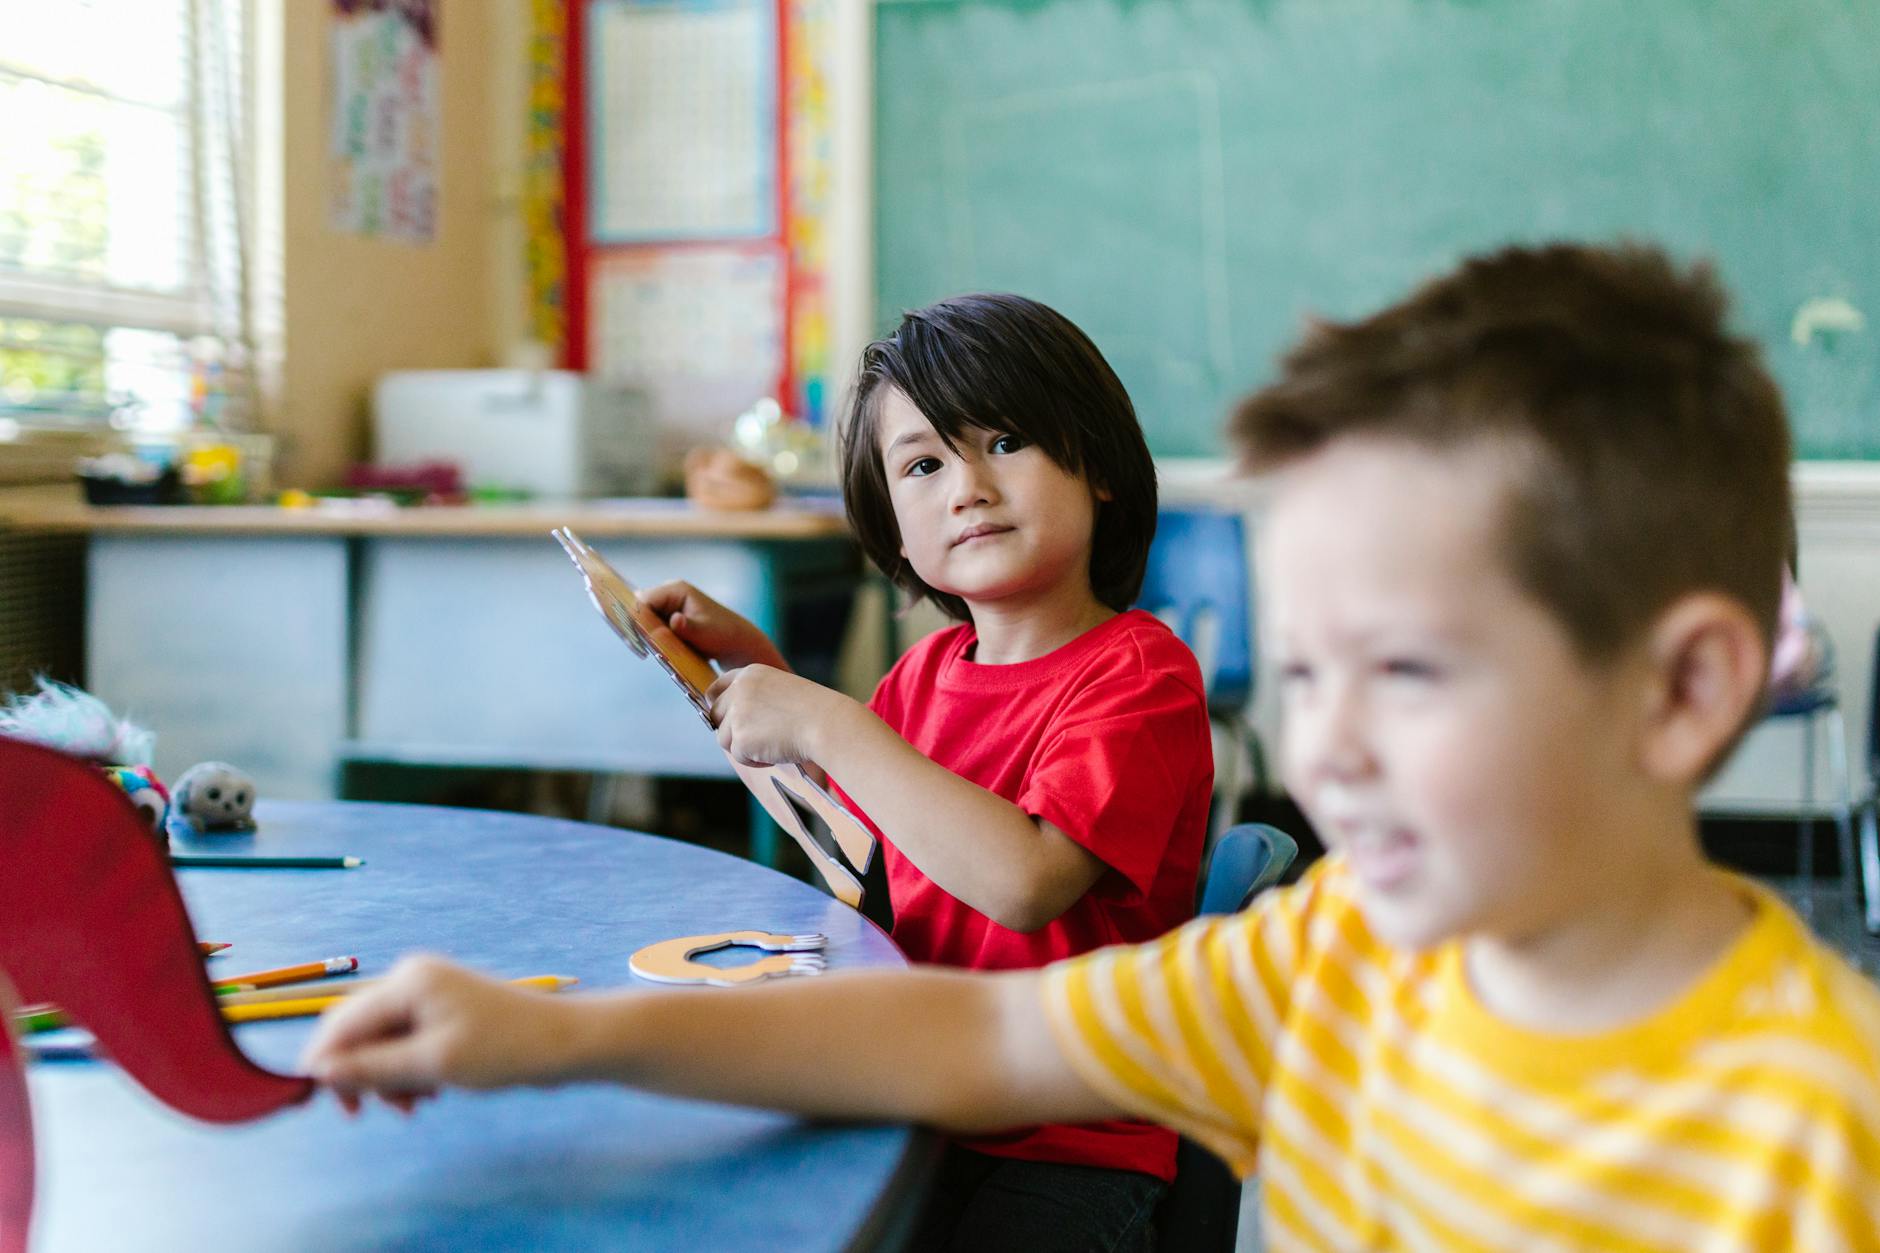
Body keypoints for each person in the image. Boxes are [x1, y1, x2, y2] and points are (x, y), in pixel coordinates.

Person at [306, 244, 1880, 1250]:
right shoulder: (1326, 957)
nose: (1321, 746)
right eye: (1310, 667)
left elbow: (1019, 918)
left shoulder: (1820, 1131)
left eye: (1404, 668)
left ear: (1680, 695)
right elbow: (974, 1038)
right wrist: (553, 1033)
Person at [637, 292, 1213, 1249]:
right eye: (923, 463)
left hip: (1064, 1142)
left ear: (1101, 467)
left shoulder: (1139, 673)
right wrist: (750, 676)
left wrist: (826, 719)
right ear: (896, 530)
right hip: (920, 1096)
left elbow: (1023, 881)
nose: (968, 486)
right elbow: (863, 838)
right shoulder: (926, 675)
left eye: (1007, 440)